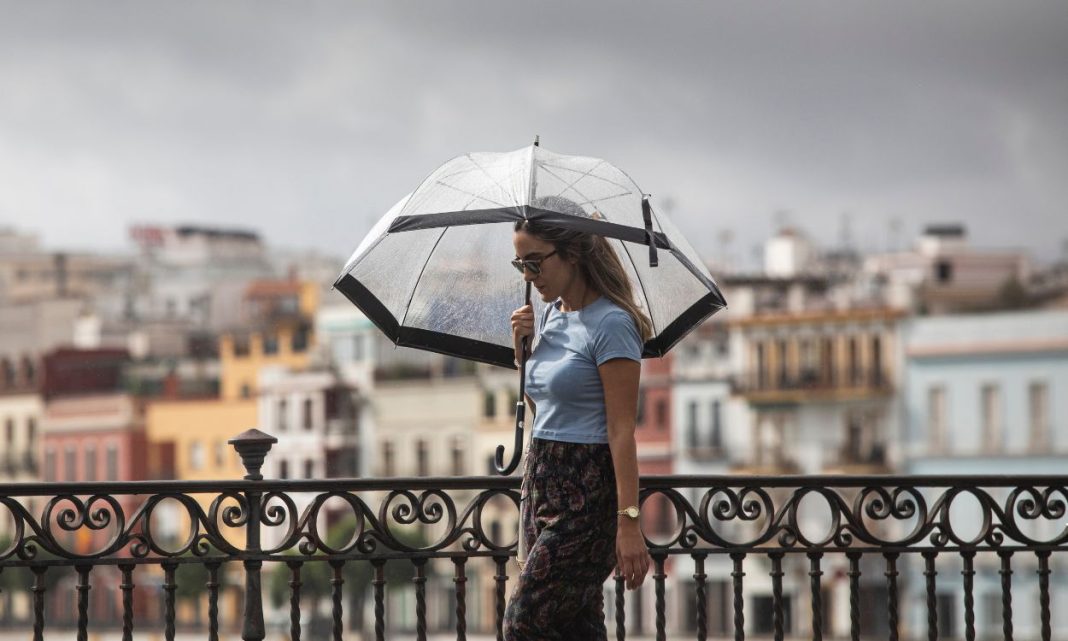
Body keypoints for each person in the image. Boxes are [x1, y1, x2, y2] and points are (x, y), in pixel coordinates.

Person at [503, 206, 653, 641]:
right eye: (521, 264)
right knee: (577, 627)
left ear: (571, 253)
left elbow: (622, 430)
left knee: (522, 624)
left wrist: (628, 522)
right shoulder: (548, 317)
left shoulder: (613, 324)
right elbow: (545, 406)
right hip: (542, 479)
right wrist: (521, 352)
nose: (529, 275)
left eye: (535, 262)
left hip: (586, 492)